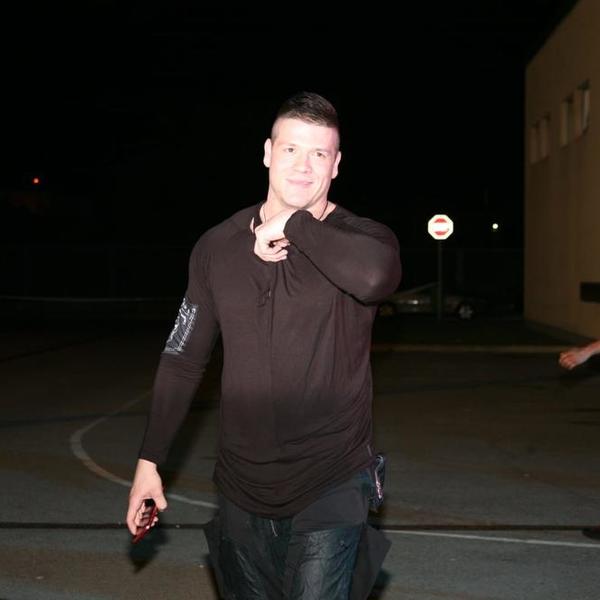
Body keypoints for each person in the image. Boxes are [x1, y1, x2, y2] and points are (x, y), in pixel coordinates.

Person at [126, 91, 402, 599]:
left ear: (336, 165)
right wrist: (149, 462)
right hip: (240, 488)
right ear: (268, 153)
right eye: (291, 149)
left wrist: (293, 223)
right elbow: (183, 358)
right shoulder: (216, 247)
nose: (304, 165)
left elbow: (374, 278)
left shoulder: (362, 238)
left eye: (319, 153)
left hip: (331, 480)